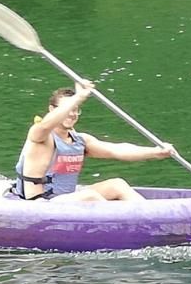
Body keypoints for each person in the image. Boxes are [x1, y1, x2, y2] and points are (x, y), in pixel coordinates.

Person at [12, 81, 176, 201]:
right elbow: (48, 123)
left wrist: (155, 152)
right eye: (68, 109)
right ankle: (123, 228)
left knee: (116, 184)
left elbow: (118, 150)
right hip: (40, 203)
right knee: (89, 196)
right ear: (52, 110)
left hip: (66, 199)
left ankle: (147, 218)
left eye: (75, 110)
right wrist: (78, 97)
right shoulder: (40, 135)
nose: (72, 114)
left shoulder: (80, 141)